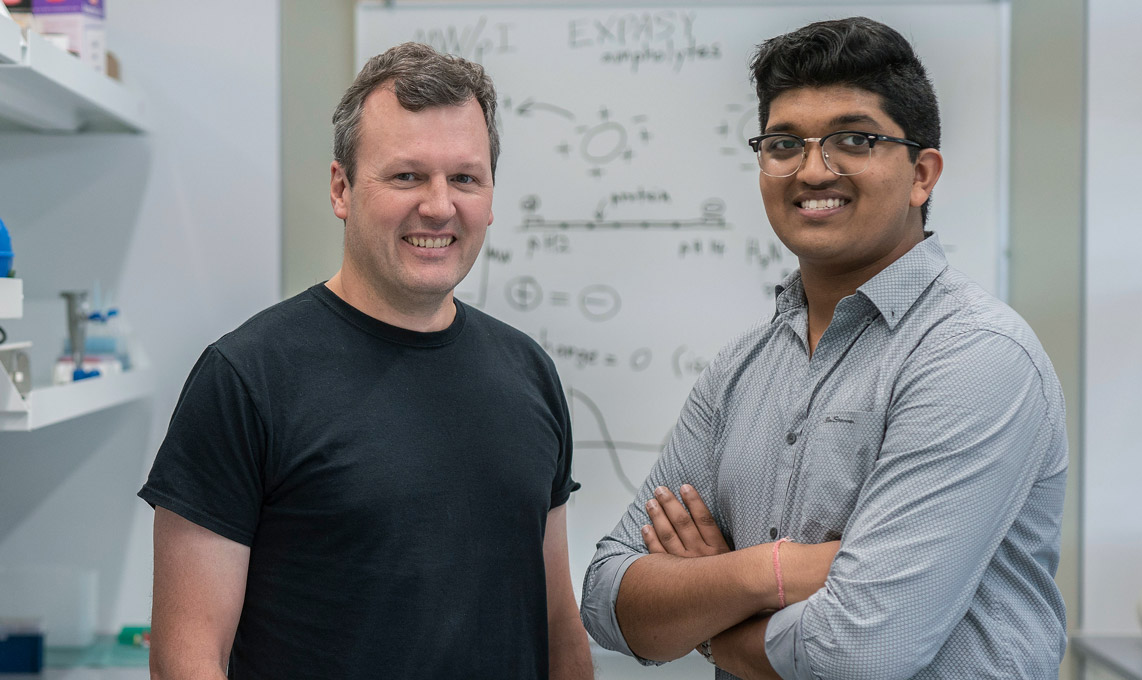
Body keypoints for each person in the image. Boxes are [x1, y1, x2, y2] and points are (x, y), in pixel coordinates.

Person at [581, 16, 1068, 680]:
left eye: (854, 138)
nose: (813, 169)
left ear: (922, 174)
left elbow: (862, 652)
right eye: (784, 143)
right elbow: (609, 602)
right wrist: (774, 573)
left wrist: (708, 617)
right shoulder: (739, 372)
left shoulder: (974, 356)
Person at [139, 43, 593, 679]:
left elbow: (557, 629)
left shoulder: (529, 374)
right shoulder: (246, 379)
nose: (439, 206)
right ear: (341, 188)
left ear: (490, 197)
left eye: (464, 178)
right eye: (406, 175)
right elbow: (187, 660)